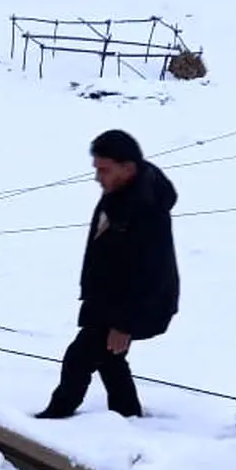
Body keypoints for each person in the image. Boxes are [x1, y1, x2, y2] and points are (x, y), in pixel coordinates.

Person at [36, 129, 179, 421]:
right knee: (109, 359)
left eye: (104, 169)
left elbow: (150, 273)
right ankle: (128, 417)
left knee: (79, 358)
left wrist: (124, 325)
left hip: (134, 305)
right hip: (110, 298)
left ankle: (56, 418)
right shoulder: (122, 191)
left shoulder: (145, 207)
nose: (98, 177)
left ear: (128, 168)